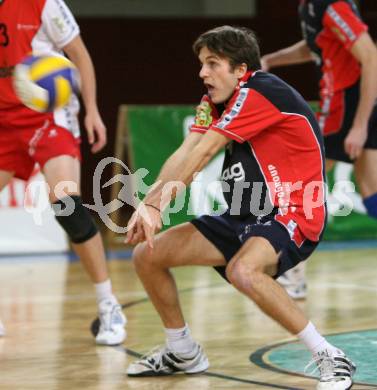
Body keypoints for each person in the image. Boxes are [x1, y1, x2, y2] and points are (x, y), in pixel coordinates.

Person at [124, 25, 355, 389]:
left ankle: (329, 354)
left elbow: (203, 152)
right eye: (201, 63)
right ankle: (182, 350)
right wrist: (149, 203)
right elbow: (186, 150)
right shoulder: (212, 104)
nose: (202, 73)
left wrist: (157, 207)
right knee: (146, 256)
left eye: (213, 63)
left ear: (241, 69)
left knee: (243, 271)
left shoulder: (260, 90)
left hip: (292, 211)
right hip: (243, 215)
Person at [0, 0, 126, 345]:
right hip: (4, 114)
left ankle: (108, 305)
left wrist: (92, 111)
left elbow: (80, 54)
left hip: (47, 110)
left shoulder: (42, 3)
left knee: (66, 204)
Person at [261, 0, 377, 300]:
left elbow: (370, 55)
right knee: (370, 189)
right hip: (347, 99)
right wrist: (271, 60)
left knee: (303, 181)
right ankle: (293, 270)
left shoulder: (332, 4)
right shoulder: (310, 7)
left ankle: (291, 267)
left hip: (347, 102)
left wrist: (361, 124)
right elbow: (316, 45)